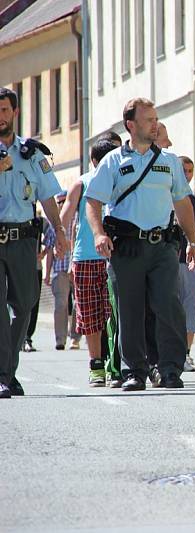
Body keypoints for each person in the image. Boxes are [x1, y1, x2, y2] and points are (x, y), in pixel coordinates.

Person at [85, 97, 195, 392]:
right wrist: (99, 234)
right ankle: (134, 371)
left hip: (162, 245)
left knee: (169, 307)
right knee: (130, 310)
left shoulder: (168, 161)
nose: (155, 124)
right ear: (131, 125)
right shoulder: (113, 161)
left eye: (156, 118)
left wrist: (193, 241)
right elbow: (93, 201)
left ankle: (171, 369)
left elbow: (183, 202)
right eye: (149, 119)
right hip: (127, 248)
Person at [0, 87, 68, 398]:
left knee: (24, 304)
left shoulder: (32, 153)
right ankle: (3, 374)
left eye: (4, 110)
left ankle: (8, 369)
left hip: (24, 238)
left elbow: (47, 195)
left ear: (14, 113)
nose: (0, 117)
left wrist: (59, 230)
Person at [59, 139, 118, 386]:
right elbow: (64, 218)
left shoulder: (120, 182)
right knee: (92, 313)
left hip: (112, 256)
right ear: (96, 161)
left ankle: (112, 363)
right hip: (85, 257)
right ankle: (97, 364)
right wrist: (65, 252)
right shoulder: (81, 184)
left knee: (111, 313)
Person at [173, 155, 195, 371]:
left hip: (190, 260)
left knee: (192, 305)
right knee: (170, 307)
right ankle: (169, 354)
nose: (186, 175)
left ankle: (185, 354)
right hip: (167, 259)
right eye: (183, 170)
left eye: (190, 171)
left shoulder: (194, 200)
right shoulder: (164, 195)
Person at [44, 191, 81, 350]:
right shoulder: (54, 226)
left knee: (78, 304)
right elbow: (50, 249)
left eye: (64, 201)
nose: (61, 205)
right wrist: (47, 273)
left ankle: (75, 337)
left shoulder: (78, 219)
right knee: (61, 305)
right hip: (59, 269)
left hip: (77, 266)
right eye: (59, 202)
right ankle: (60, 340)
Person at [23, 210, 46, 353]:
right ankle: (16, 338)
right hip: (15, 265)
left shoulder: (40, 221)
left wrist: (43, 253)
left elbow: (52, 235)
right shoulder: (10, 214)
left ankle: (27, 338)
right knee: (15, 302)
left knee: (33, 303)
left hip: (35, 267)